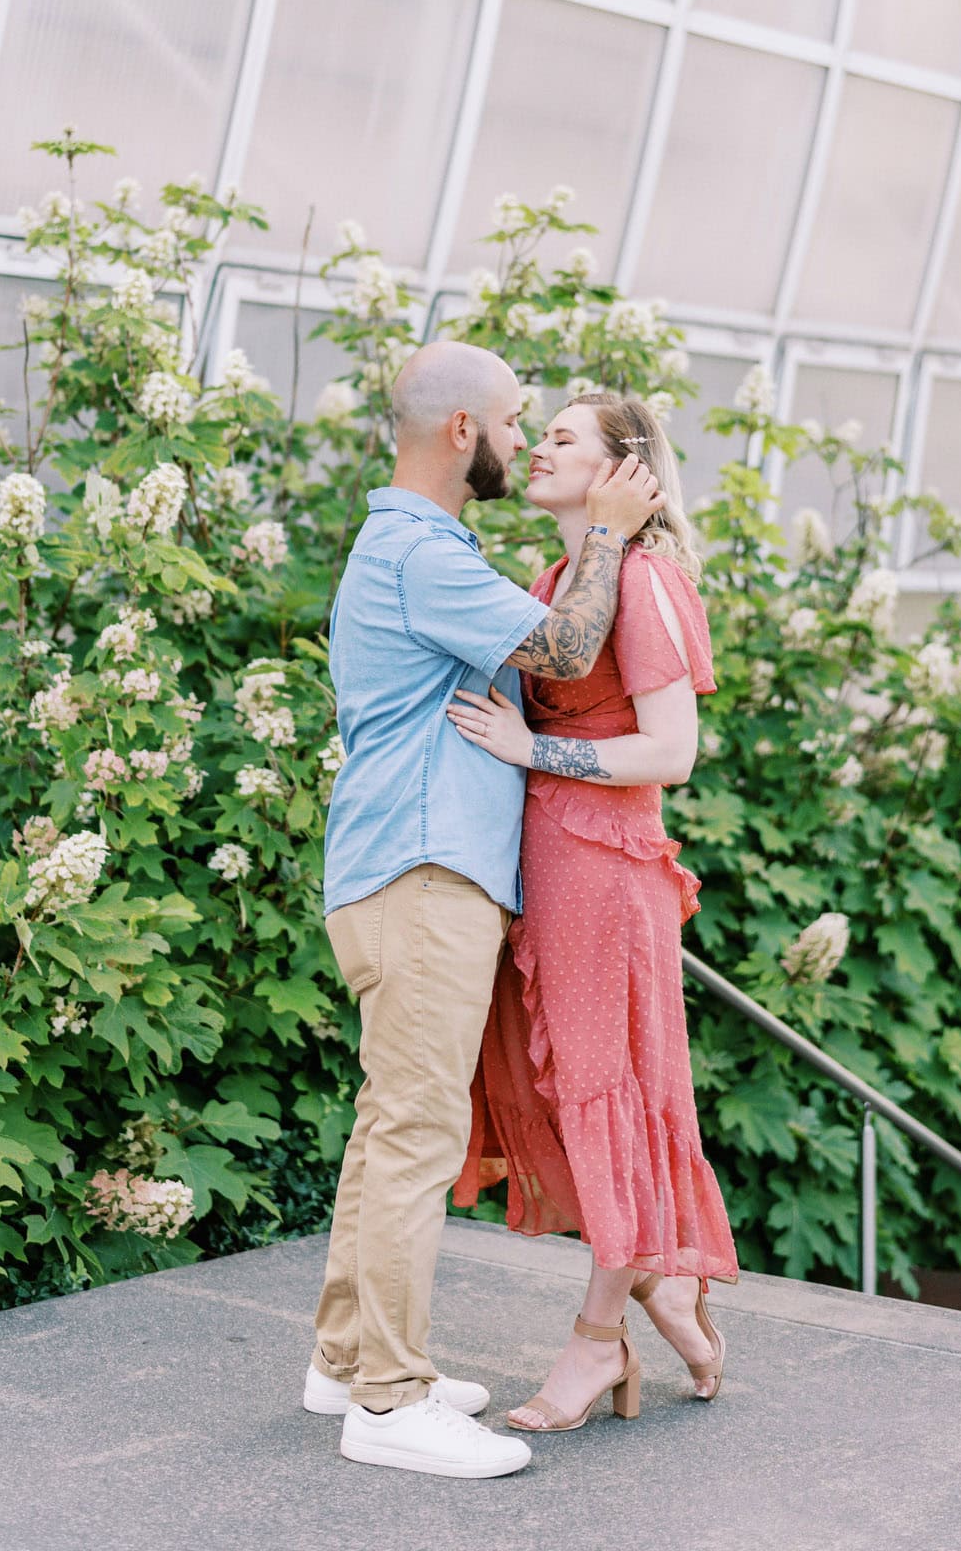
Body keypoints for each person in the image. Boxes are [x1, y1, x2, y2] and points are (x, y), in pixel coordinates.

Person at [304, 344, 664, 1480]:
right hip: (423, 874)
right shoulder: (418, 550)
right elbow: (566, 645)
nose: (523, 438)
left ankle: (345, 1358)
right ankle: (389, 1400)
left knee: (385, 1125)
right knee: (417, 1133)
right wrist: (606, 527)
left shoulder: (412, 546)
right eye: (515, 419)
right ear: (461, 428)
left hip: (395, 871)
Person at [449, 391, 739, 1435]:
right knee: (554, 1079)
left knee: (601, 1083)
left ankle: (597, 1332)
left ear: (624, 466)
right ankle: (654, 1277)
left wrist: (533, 750)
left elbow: (671, 750)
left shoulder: (647, 579)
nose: (535, 448)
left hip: (606, 868)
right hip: (546, 862)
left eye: (563, 437)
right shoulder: (558, 577)